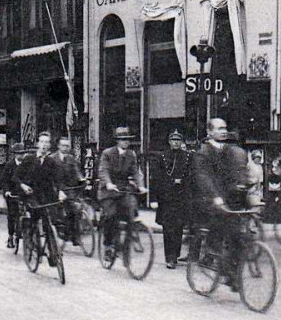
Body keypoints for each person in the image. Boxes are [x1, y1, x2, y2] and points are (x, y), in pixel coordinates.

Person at [190, 118, 249, 285]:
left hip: (229, 198)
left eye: (225, 128)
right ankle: (212, 253)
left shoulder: (230, 150)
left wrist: (243, 185)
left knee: (238, 236)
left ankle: (231, 272)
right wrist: (215, 196)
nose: (224, 131)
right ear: (210, 132)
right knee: (223, 228)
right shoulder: (203, 152)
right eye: (219, 128)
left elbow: (238, 171)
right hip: (210, 198)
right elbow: (203, 177)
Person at [97, 126, 147, 262]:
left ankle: (129, 240)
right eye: (123, 139)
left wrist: (141, 186)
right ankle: (108, 245)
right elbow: (103, 170)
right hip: (108, 191)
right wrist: (108, 183)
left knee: (132, 208)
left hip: (123, 189)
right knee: (111, 215)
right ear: (117, 141)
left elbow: (136, 172)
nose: (126, 142)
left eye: (127, 140)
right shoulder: (107, 153)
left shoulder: (131, 154)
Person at [154, 130, 193, 269]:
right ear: (169, 142)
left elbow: (190, 177)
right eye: (173, 140)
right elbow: (157, 178)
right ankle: (169, 257)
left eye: (178, 140)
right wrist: (155, 198)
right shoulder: (162, 157)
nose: (176, 142)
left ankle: (175, 255)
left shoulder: (188, 157)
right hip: (167, 198)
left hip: (181, 197)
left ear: (181, 142)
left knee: (179, 227)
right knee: (168, 228)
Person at [46, 135, 88, 245]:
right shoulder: (51, 158)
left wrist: (81, 178)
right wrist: (56, 189)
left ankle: (75, 236)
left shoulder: (71, 158)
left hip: (69, 189)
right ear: (59, 146)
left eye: (67, 146)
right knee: (58, 213)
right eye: (63, 145)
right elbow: (48, 176)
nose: (66, 148)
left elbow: (76, 170)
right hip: (56, 189)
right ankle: (59, 231)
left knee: (76, 209)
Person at [0, 143, 28, 248]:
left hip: (23, 194)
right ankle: (10, 236)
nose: (20, 156)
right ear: (15, 155)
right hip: (12, 194)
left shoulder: (26, 165)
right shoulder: (9, 165)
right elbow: (4, 180)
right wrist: (6, 191)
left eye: (22, 153)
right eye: (18, 154)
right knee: (12, 216)